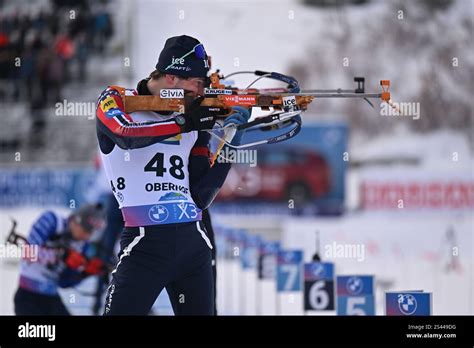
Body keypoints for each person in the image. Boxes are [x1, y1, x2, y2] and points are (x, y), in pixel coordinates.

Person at [96, 35, 250, 315]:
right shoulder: (117, 98)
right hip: (145, 244)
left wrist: (230, 142)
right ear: (171, 78)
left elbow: (202, 196)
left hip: (194, 244)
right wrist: (183, 122)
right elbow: (125, 135)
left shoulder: (193, 117)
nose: (202, 92)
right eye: (197, 83)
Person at [14, 203, 107, 315]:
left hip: (51, 298)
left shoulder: (82, 244)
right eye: (85, 230)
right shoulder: (52, 220)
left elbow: (63, 282)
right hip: (27, 297)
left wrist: (84, 273)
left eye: (91, 233)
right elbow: (28, 253)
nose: (87, 236)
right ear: (75, 220)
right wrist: (62, 256)